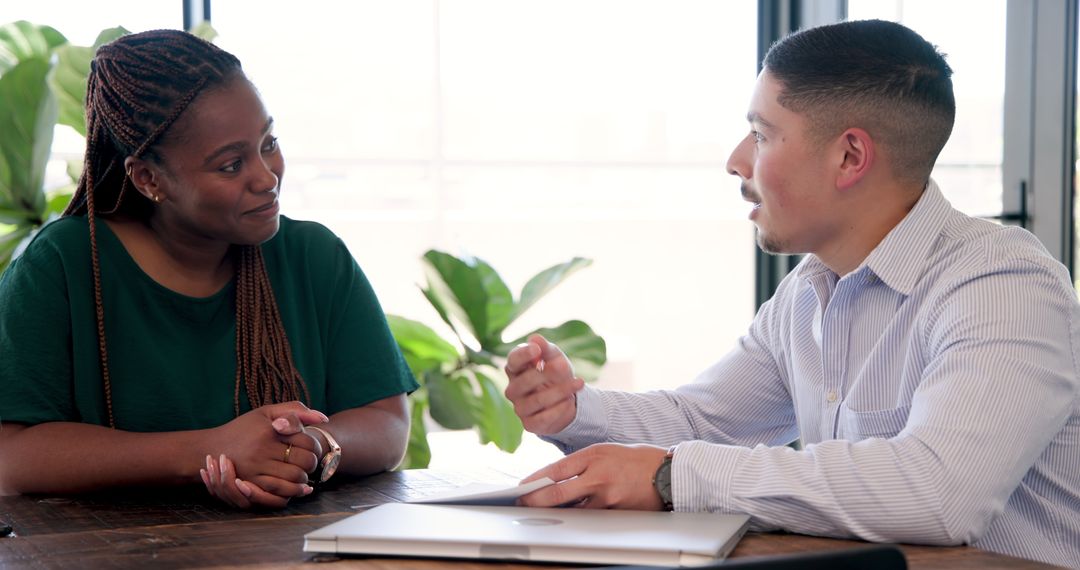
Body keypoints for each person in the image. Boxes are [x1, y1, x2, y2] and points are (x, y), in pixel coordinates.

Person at [503, 19, 1080, 568]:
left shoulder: (1003, 286)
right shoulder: (809, 291)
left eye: (761, 134)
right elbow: (702, 421)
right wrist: (575, 410)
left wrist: (672, 478)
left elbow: (937, 490)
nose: (736, 161)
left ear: (850, 157)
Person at [0, 30, 417, 510]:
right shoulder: (63, 264)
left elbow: (387, 422)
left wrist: (310, 448)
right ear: (150, 179)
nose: (266, 177)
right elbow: (13, 457)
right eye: (230, 165)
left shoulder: (314, 256)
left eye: (268, 142)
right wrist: (210, 451)